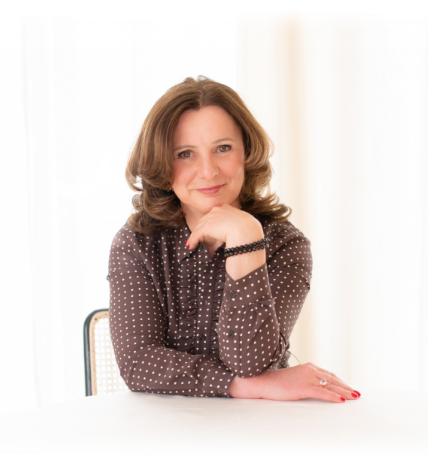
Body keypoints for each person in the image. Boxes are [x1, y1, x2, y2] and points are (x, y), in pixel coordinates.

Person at [107, 76, 361, 403]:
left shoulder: (285, 244)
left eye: (223, 148)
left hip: (258, 424)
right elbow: (138, 365)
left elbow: (249, 362)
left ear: (247, 152)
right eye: (185, 153)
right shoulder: (137, 243)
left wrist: (246, 240)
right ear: (162, 165)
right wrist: (248, 386)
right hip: (165, 425)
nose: (209, 171)